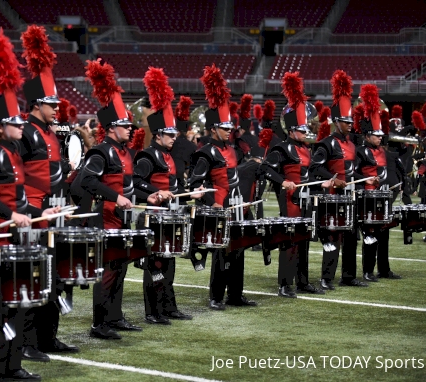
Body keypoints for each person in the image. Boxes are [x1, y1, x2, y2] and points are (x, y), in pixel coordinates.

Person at [0, 29, 56, 382]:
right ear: (2, 126)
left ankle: (12, 364)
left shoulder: (13, 152)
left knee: (16, 302)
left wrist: (38, 214)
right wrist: (12, 216)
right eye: (16, 122)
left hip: (14, 238)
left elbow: (17, 200)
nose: (22, 126)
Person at [81, 59, 163, 339]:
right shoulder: (100, 152)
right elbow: (87, 181)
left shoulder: (125, 153)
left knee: (119, 269)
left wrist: (148, 194)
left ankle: (115, 317)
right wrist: (115, 197)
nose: (131, 129)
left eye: (130, 125)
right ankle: (99, 324)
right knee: (106, 273)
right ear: (111, 128)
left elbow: (129, 184)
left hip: (123, 219)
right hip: (105, 219)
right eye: (125, 125)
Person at [17, 25, 77, 362]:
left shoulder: (51, 133)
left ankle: (48, 337)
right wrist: (31, 211)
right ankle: (26, 342)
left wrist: (64, 202)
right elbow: (16, 178)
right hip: (34, 217)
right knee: (32, 278)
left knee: (54, 280)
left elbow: (56, 175)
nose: (57, 107)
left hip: (55, 213)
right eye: (51, 103)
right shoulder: (25, 133)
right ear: (37, 103)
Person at [189, 64, 257, 310]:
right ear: (212, 129)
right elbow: (195, 185)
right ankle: (216, 296)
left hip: (237, 206)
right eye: (224, 128)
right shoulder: (204, 153)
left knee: (238, 251)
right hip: (219, 210)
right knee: (221, 254)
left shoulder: (234, 150)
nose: (229, 132)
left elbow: (236, 178)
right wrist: (213, 204)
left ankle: (235, 295)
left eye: (230, 128)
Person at [134, 68, 192, 324]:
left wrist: (191, 194)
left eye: (175, 134)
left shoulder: (168, 156)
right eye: (170, 134)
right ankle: (152, 311)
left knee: (169, 262)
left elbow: (173, 189)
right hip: (154, 218)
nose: (174, 137)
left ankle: (169, 306)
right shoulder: (147, 156)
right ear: (158, 135)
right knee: (155, 264)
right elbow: (135, 184)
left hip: (170, 216)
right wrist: (154, 193)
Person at [260, 72, 324, 297]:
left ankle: (303, 281)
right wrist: (283, 181)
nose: (306, 134)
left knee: (304, 240)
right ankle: (284, 284)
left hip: (306, 199)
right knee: (289, 242)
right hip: (289, 201)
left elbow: (308, 174)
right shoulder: (281, 148)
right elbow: (265, 169)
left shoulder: (307, 148)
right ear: (292, 129)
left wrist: (322, 182)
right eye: (302, 130)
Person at [310, 70, 370, 289]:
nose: (350, 125)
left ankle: (348, 276)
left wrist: (363, 179)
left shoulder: (353, 145)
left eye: (350, 121)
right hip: (333, 198)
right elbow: (315, 167)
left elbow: (352, 172)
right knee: (333, 237)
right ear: (336, 121)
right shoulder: (326, 143)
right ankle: (326, 278)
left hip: (350, 197)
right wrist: (333, 180)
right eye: (346, 122)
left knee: (352, 236)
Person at [355, 84, 402, 281]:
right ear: (367, 136)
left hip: (384, 198)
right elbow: (354, 175)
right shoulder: (359, 151)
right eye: (376, 135)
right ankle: (367, 271)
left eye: (381, 135)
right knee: (370, 235)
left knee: (384, 235)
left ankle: (384, 269)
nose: (380, 138)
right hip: (367, 199)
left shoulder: (384, 151)